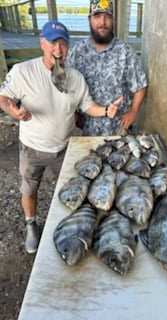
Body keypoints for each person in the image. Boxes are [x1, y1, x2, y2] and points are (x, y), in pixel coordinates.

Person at [0, 20, 123, 254]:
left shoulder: (75, 77)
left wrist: (107, 110)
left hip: (64, 147)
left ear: (68, 48)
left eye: (63, 44)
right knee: (29, 189)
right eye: (53, 43)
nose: (58, 49)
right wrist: (12, 111)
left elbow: (87, 106)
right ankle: (31, 225)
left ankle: (68, 227)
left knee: (69, 189)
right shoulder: (22, 71)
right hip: (32, 147)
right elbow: (3, 97)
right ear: (42, 43)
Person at [66, 0, 148, 136]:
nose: (103, 22)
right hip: (87, 130)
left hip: (119, 130)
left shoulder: (125, 51)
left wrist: (133, 112)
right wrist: (74, 112)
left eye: (107, 17)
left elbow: (140, 85)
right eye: (97, 16)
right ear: (89, 19)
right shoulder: (77, 52)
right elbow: (67, 87)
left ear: (113, 20)